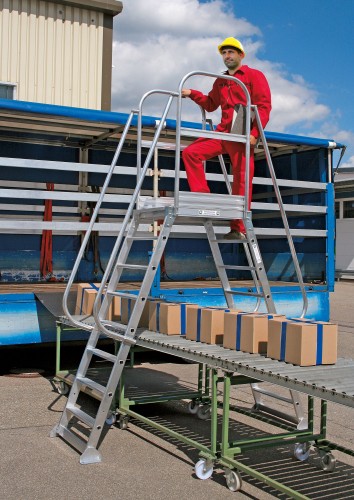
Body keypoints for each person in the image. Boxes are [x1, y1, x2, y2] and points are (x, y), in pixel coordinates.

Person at [181, 37, 271, 239]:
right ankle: (202, 197)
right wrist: (192, 93)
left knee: (241, 178)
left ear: (241, 55)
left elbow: (264, 107)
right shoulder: (220, 81)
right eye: (224, 53)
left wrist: (255, 134)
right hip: (223, 132)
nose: (227, 56)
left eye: (231, 52)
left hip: (242, 134)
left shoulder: (254, 76)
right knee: (191, 152)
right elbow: (211, 103)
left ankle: (238, 228)